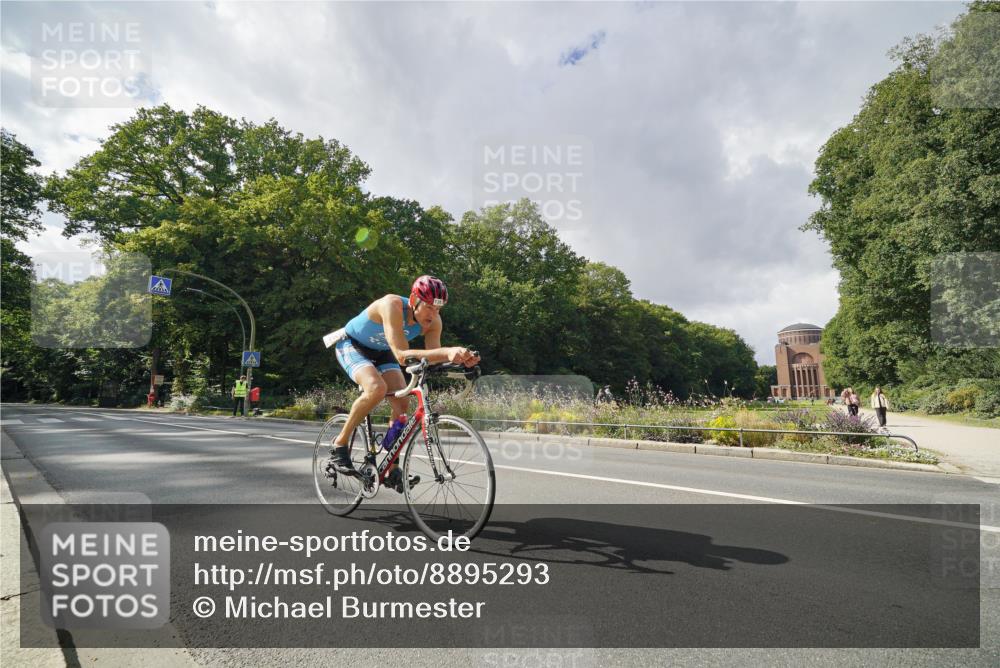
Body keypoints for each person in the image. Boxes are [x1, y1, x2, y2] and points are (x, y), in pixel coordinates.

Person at [323, 275, 479, 493]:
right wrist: (447, 351)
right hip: (353, 345)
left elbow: (433, 356)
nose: (433, 315)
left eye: (438, 310)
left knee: (402, 404)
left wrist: (462, 360)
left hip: (382, 352)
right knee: (377, 389)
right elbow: (402, 355)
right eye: (429, 308)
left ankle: (391, 467)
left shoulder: (434, 323)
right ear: (414, 299)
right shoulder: (391, 305)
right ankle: (340, 444)